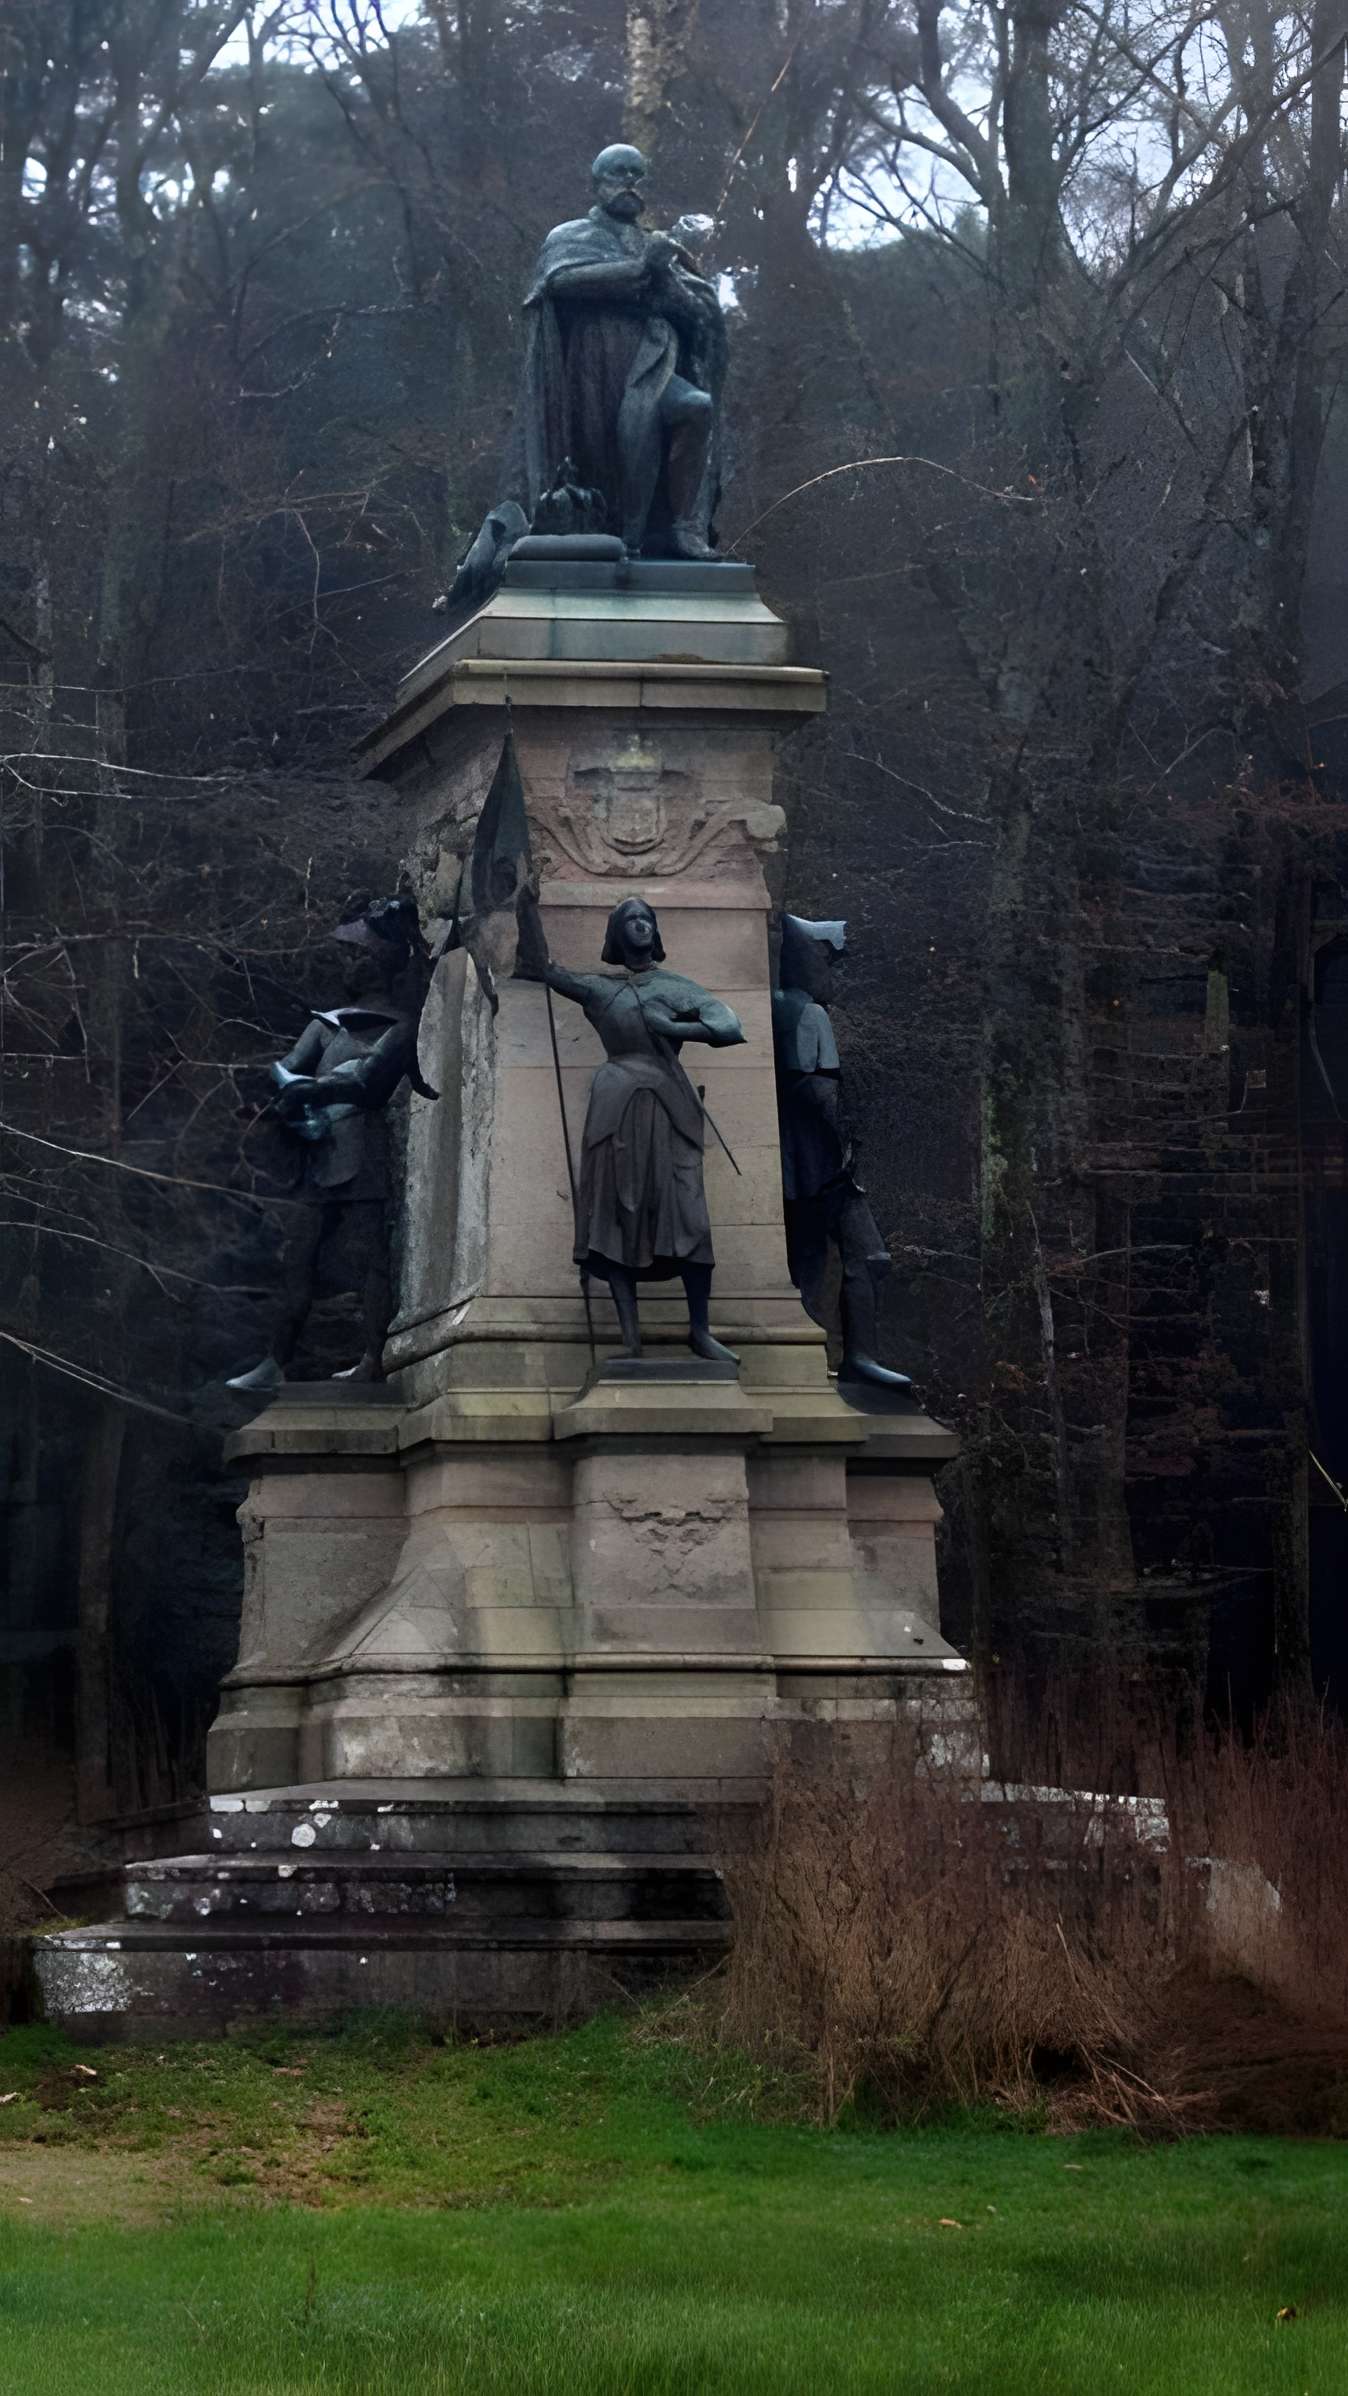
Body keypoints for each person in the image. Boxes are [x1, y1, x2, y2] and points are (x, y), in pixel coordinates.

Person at [516, 889, 743, 1360]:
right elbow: (542, 968)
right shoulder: (602, 988)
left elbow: (728, 1027)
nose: (640, 925)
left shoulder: (677, 986)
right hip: (615, 1105)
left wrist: (675, 1028)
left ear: (656, 930)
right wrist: (525, 907)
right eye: (629, 919)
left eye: (646, 918)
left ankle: (699, 1330)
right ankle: (630, 1338)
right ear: (615, 934)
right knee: (618, 1212)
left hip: (669, 1106)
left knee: (689, 1215)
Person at [226, 897, 436, 1392]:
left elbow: (368, 1084)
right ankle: (275, 1361)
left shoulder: (400, 1026)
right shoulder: (327, 1023)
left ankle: (373, 1357)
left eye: (353, 955)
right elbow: (287, 1070)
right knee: (299, 1257)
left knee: (370, 1259)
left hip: (364, 1148)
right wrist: (290, 1096)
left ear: (376, 963)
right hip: (320, 1150)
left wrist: (317, 1088)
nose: (344, 962)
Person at [772, 915, 913, 1396]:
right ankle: (859, 1357)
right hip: (822, 1160)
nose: (832, 972)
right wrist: (848, 1142)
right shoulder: (810, 1015)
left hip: (792, 1160)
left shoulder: (772, 1007)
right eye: (828, 960)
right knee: (870, 1254)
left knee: (808, 1261)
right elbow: (821, 1091)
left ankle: (808, 1359)